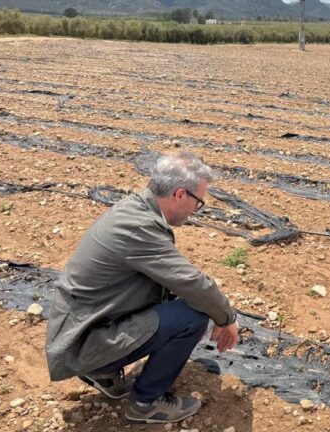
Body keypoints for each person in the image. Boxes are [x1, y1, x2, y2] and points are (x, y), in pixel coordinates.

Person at [46, 152, 240, 424]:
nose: (197, 211)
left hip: (84, 328)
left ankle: (103, 373)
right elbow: (193, 283)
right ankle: (145, 403)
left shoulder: (136, 208)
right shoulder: (139, 227)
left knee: (171, 297)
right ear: (181, 194)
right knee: (192, 316)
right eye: (199, 203)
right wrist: (226, 318)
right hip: (81, 342)